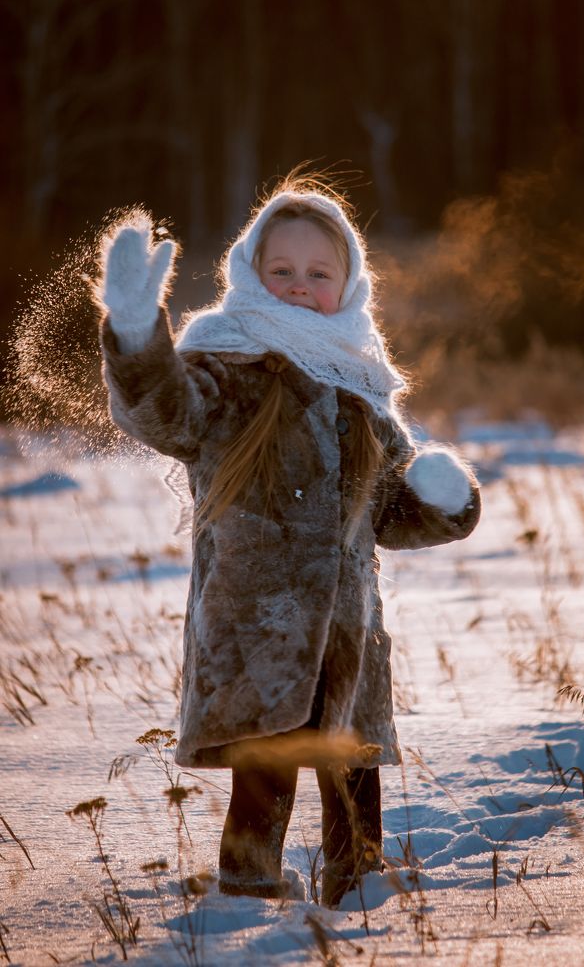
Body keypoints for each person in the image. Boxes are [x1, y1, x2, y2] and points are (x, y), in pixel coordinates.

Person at [95, 173, 481, 907]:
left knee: (352, 773)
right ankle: (246, 895)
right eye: (282, 271)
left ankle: (358, 890)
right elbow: (166, 412)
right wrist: (138, 335)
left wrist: (442, 501)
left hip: (348, 630)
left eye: (318, 273)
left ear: (351, 285)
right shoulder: (230, 366)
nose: (300, 286)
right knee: (265, 771)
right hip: (255, 626)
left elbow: (390, 515)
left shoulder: (360, 385)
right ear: (249, 273)